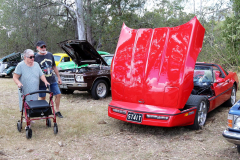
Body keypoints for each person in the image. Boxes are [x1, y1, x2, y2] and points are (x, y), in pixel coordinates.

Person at [34, 41, 63, 118]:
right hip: (41, 82)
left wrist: (58, 77)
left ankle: (57, 111)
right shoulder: (36, 57)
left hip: (52, 80)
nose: (43, 48)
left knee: (58, 94)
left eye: (44, 46)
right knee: (43, 97)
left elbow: (54, 66)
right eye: (41, 47)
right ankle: (43, 112)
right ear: (37, 48)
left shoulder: (50, 54)